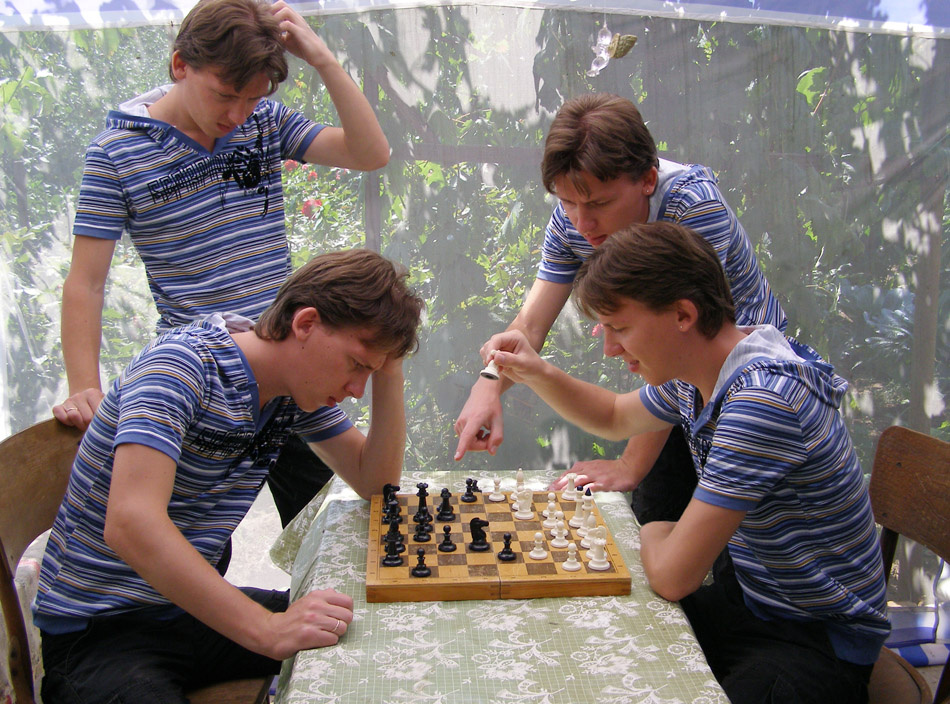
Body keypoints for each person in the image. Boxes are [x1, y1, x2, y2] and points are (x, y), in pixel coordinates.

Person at [482, 222, 889, 704]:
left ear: (682, 314)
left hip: (816, 641)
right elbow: (614, 416)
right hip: (753, 603)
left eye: (620, 328)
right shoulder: (706, 369)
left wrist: (656, 528)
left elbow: (674, 576)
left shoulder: (762, 401)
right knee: (592, 643)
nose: (609, 349)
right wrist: (536, 372)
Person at [52, 0, 390, 528]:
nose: (236, 114)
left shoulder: (263, 123)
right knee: (188, 535)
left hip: (287, 360)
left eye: (252, 97)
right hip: (203, 383)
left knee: (327, 524)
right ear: (179, 65)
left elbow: (370, 154)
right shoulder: (116, 154)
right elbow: (86, 284)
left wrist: (322, 59)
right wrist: (83, 386)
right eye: (225, 94)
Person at [34, 248, 424, 704]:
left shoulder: (289, 389)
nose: (357, 390)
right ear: (305, 324)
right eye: (357, 364)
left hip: (186, 613)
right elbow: (130, 524)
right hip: (100, 630)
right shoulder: (180, 367)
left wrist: (388, 369)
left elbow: (375, 483)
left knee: (380, 628)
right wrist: (266, 628)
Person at [453, 93, 787, 526]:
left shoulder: (693, 206)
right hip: (676, 380)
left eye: (599, 204)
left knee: (732, 531)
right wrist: (488, 383)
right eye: (566, 202)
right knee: (658, 514)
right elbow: (530, 326)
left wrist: (631, 465)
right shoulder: (575, 217)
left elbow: (683, 341)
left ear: (648, 180)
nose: (581, 223)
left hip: (741, 383)